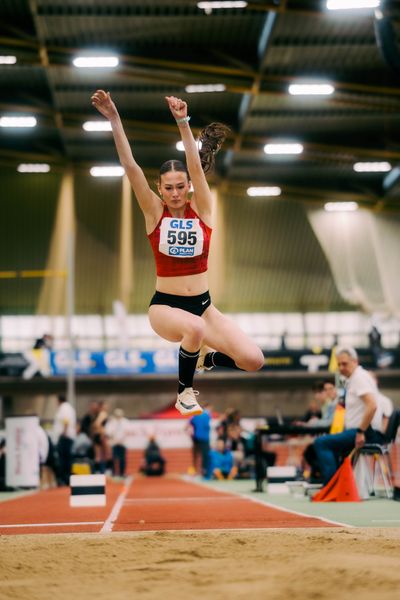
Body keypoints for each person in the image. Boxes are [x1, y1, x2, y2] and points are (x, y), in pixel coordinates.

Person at [91, 90, 264, 417]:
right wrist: (114, 119)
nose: (174, 193)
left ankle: (205, 359)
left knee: (253, 360)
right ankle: (184, 392)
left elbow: (195, 165)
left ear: (189, 187)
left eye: (180, 186)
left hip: (204, 307)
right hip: (166, 308)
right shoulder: (154, 213)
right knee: (194, 331)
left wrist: (183, 122)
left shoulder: (203, 210)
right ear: (159, 188)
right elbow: (130, 167)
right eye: (167, 187)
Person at [314, 347, 385, 485]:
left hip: (364, 432)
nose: (341, 367)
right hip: (361, 431)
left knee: (321, 443)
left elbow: (372, 405)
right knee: (332, 444)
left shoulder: (359, 378)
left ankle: (331, 487)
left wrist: (360, 432)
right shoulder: (358, 377)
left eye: (344, 364)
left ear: (355, 361)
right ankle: (339, 485)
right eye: (339, 364)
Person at [53, 395, 76, 485]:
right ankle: (67, 479)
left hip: (65, 436)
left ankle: (65, 479)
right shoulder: (68, 408)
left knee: (64, 459)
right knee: (67, 458)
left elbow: (66, 420)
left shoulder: (64, 408)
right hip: (67, 436)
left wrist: (64, 433)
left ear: (59, 400)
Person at [187, 402, 212, 477]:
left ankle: (195, 471)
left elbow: (187, 425)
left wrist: (191, 435)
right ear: (207, 407)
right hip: (204, 438)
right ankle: (204, 471)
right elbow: (206, 426)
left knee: (195, 455)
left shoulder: (195, 415)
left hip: (196, 438)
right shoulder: (206, 415)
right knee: (205, 455)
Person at [106, 408, 130, 477]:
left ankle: (122, 472)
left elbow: (127, 432)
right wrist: (114, 438)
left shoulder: (126, 422)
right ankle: (114, 472)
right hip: (114, 443)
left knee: (123, 458)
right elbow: (108, 432)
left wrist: (121, 439)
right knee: (114, 458)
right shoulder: (112, 422)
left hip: (123, 443)